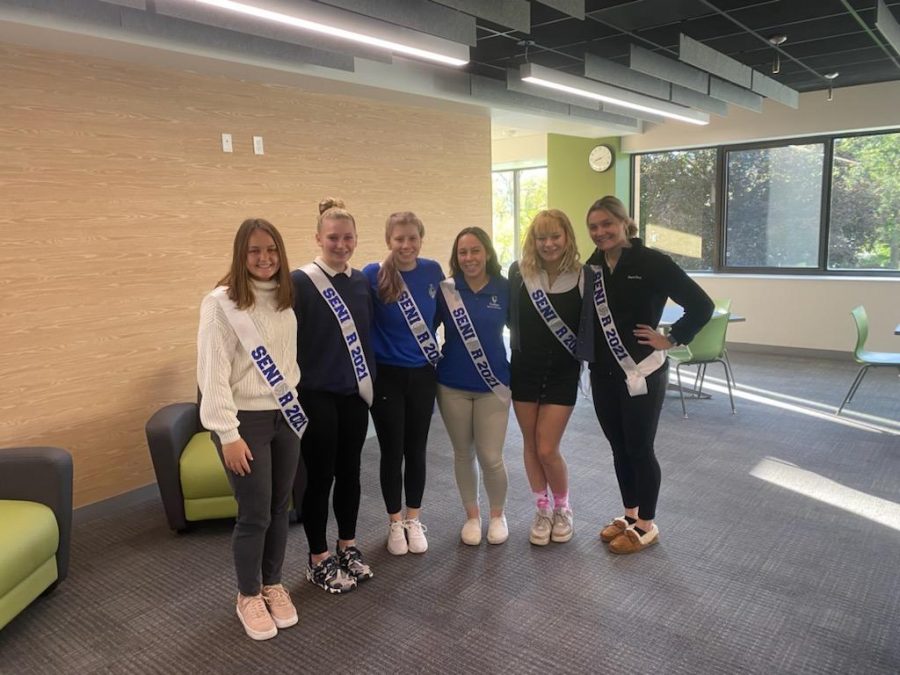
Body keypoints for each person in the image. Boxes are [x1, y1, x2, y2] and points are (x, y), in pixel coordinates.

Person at [577, 196, 713, 554]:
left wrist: (671, 337)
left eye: (607, 224)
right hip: (603, 372)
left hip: (642, 372)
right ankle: (629, 515)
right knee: (619, 447)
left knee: (639, 447)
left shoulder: (653, 262)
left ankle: (647, 525)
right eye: (593, 227)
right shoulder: (593, 264)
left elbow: (702, 305)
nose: (600, 232)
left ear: (624, 223)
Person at [197, 218, 302, 641]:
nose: (265, 259)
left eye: (272, 250)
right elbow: (212, 374)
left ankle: (273, 584)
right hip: (246, 421)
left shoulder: (284, 297)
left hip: (286, 415)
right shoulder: (220, 303)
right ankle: (247, 595)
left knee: (281, 507)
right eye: (255, 251)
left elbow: (287, 359)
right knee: (255, 513)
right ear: (241, 254)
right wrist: (228, 433)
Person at [292, 198, 375, 592]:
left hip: (354, 396)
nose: (341, 245)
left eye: (348, 238)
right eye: (333, 238)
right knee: (320, 477)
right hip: (316, 396)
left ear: (356, 238)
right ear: (318, 239)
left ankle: (347, 545)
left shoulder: (361, 283)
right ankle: (318, 557)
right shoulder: (300, 283)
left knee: (351, 474)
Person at [362, 212, 444, 556]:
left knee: (417, 449)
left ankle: (414, 518)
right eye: (399, 239)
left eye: (412, 238)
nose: (406, 245)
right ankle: (395, 522)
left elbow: (439, 314)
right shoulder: (373, 275)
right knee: (392, 450)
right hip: (388, 376)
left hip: (423, 373)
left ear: (421, 239)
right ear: (388, 241)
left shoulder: (432, 271)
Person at [508, 209, 582, 546]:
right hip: (524, 369)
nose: (549, 244)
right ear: (532, 241)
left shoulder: (584, 276)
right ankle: (542, 508)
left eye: (555, 236)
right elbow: (511, 319)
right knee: (529, 444)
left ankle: (563, 507)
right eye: (542, 237)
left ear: (567, 236)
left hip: (562, 373)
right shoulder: (518, 273)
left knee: (547, 447)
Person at [436, 226, 511, 546]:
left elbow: (524, 332)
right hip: (452, 383)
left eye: (475, 250)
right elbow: (424, 329)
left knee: (491, 455)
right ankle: (472, 516)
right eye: (462, 252)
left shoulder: (505, 288)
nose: (469, 258)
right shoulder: (447, 290)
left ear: (488, 253)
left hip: (494, 385)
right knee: (462, 453)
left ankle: (497, 515)